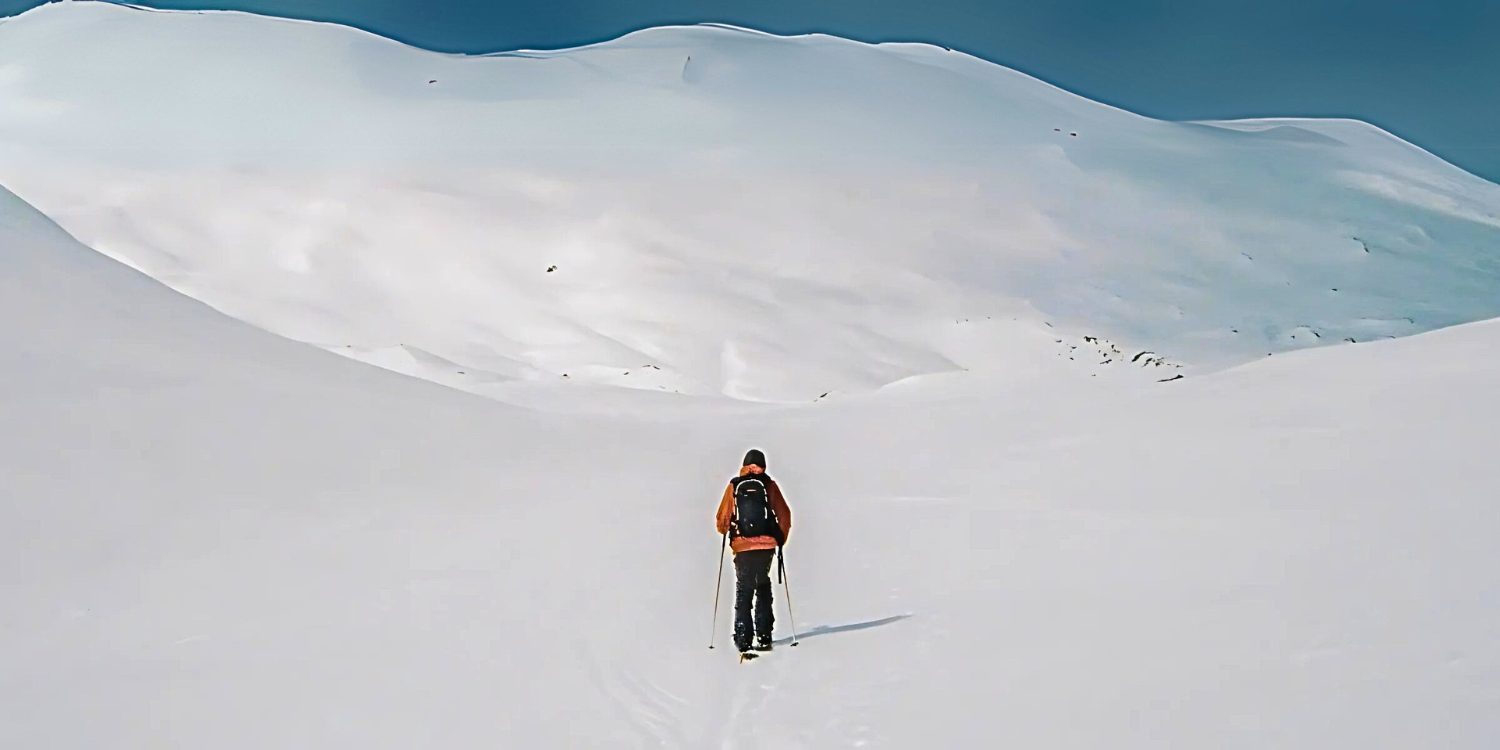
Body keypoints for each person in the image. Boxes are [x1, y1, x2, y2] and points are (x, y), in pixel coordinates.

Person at [715, 449, 792, 654]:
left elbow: (722, 520)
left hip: (742, 547)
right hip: (767, 546)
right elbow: (785, 514)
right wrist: (780, 538)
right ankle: (764, 634)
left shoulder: (734, 486)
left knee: (745, 588)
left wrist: (728, 530)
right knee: (763, 584)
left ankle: (743, 639)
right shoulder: (769, 485)